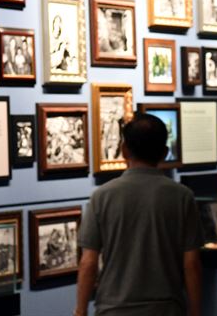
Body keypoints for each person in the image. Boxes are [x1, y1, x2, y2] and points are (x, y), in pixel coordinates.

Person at [75, 113, 203, 316]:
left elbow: (88, 262)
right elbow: (191, 263)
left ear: (124, 150)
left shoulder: (102, 196)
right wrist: (195, 311)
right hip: (166, 309)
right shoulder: (182, 197)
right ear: (164, 152)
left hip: (113, 309)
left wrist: (80, 310)